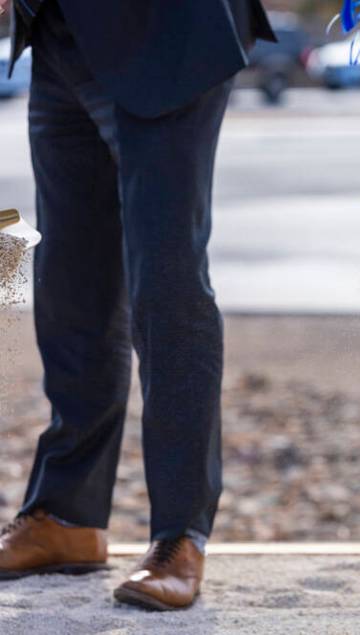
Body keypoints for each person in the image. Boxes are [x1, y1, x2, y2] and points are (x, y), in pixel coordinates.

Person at [0, 0, 273, 610]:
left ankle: (180, 535)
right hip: (59, 33)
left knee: (166, 283)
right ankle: (67, 516)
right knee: (71, 283)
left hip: (167, 32)